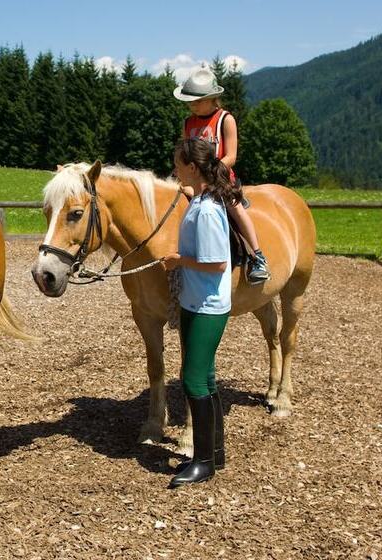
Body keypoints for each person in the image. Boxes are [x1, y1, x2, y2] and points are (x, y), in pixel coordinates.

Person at [163, 138, 234, 489]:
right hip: (195, 301)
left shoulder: (207, 211)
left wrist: (179, 261)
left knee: (192, 380)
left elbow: (217, 263)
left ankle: (203, 462)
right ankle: (214, 453)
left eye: (178, 164)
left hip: (207, 306)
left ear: (192, 167)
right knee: (205, 378)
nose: (175, 169)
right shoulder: (200, 200)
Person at [174, 67, 271, 285]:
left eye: (197, 101)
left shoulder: (225, 119)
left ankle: (257, 257)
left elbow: (231, 156)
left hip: (220, 178)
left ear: (212, 99)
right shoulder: (188, 123)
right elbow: (184, 154)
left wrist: (208, 175)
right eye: (190, 101)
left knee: (235, 209)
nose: (192, 105)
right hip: (192, 180)